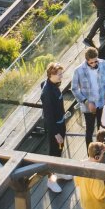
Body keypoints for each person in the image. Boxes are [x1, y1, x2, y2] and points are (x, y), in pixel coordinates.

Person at [70, 45, 105, 149]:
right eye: (91, 62)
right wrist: (86, 102)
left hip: (103, 103)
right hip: (88, 107)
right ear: (86, 60)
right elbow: (74, 89)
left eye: (95, 61)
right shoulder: (78, 70)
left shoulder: (104, 63)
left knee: (103, 130)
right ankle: (91, 154)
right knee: (89, 131)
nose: (93, 64)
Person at [40, 63, 67, 191]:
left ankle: (59, 171)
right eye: (59, 74)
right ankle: (51, 180)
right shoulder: (47, 92)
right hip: (54, 127)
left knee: (59, 150)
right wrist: (56, 133)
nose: (61, 76)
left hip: (61, 123)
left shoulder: (54, 85)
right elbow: (48, 116)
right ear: (51, 75)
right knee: (53, 153)